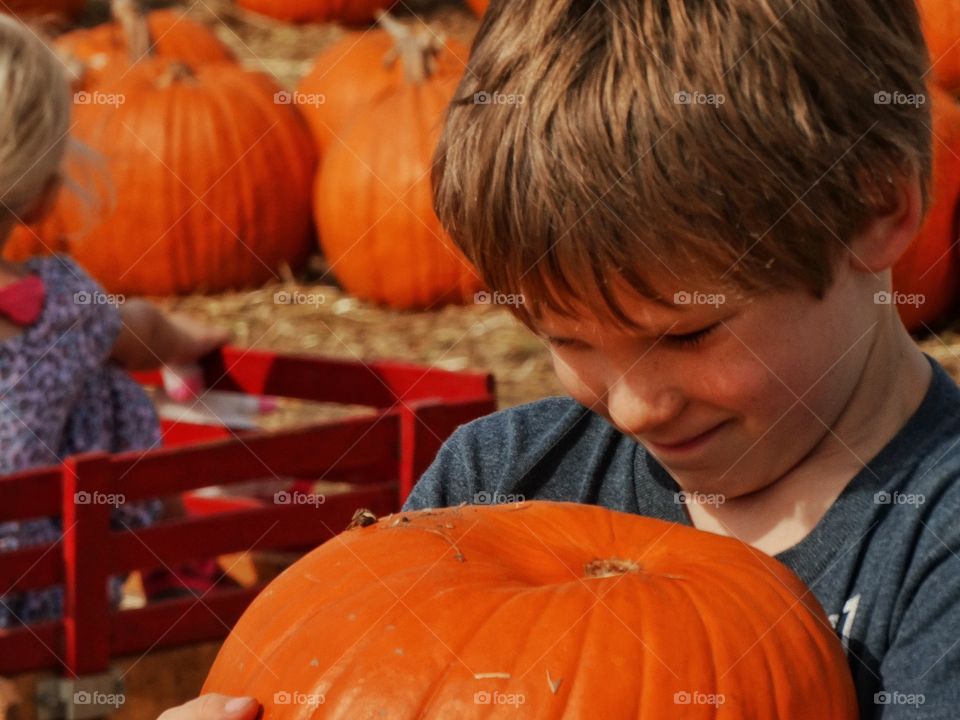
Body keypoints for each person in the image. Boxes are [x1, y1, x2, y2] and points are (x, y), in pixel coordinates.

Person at [169, 0, 958, 717]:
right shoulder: (503, 482)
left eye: (687, 335)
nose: (635, 407)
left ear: (875, 208)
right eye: (566, 341)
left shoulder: (936, 540)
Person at [0, 13, 230, 627]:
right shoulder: (60, 304)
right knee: (112, 389)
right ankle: (175, 566)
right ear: (46, 195)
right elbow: (145, 333)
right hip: (36, 607)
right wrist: (192, 341)